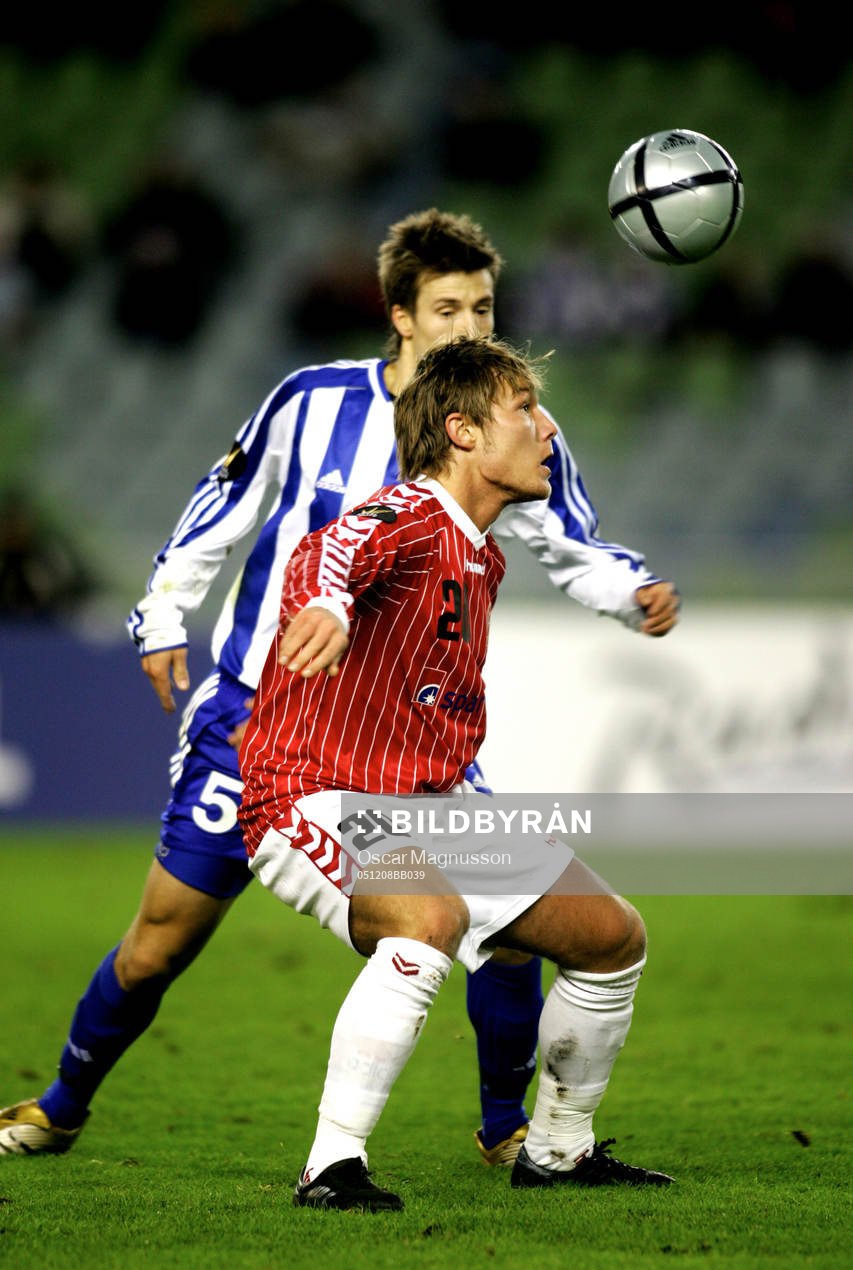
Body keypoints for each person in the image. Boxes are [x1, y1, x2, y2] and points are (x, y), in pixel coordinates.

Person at [0, 209, 678, 1161]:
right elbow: (228, 513)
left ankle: (506, 1128)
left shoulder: (511, 433)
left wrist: (630, 589)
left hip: (404, 740)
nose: (470, 329)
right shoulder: (312, 402)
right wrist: (161, 616)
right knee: (163, 937)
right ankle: (62, 1101)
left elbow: (574, 545)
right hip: (262, 714)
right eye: (447, 308)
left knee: (519, 922)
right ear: (400, 315)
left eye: (484, 308)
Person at [238, 334, 674, 1210]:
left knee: (610, 937)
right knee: (425, 913)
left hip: (422, 807)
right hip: (314, 791)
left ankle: (557, 1150)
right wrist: (322, 601)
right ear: (464, 431)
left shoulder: (479, 549)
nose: (548, 429)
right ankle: (331, 1165)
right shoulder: (410, 514)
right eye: (526, 410)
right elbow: (330, 549)